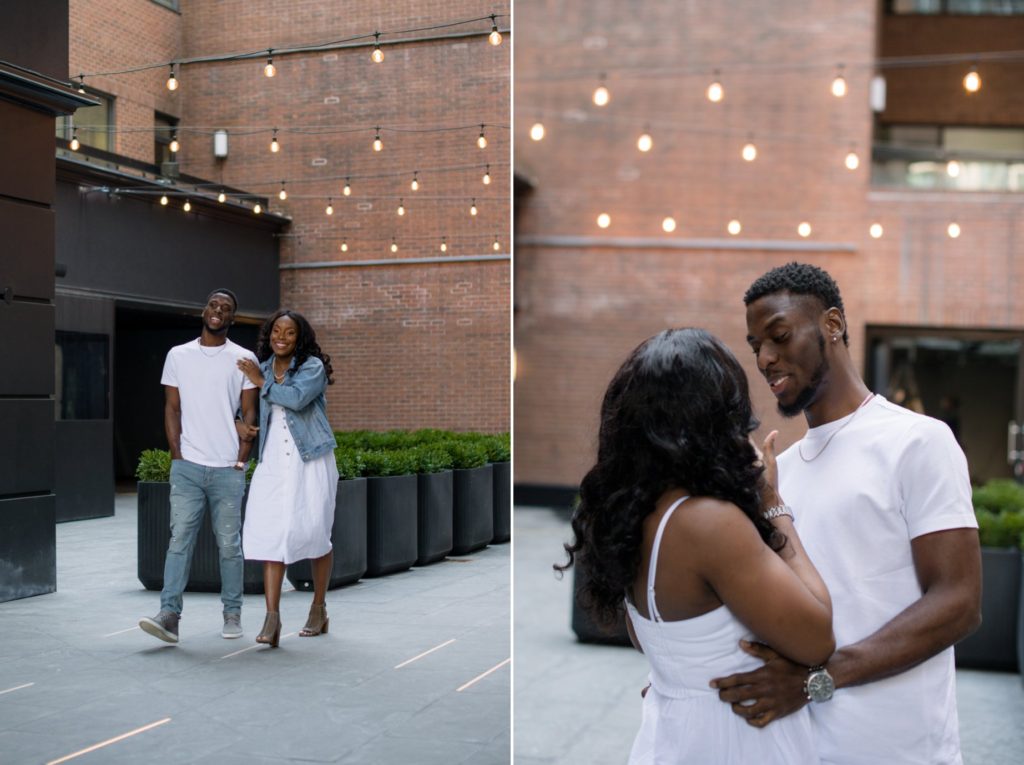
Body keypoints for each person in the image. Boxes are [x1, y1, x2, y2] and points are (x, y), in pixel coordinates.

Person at [711, 262, 981, 764]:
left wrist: (819, 679)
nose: (765, 358)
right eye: (755, 347)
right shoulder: (780, 474)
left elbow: (959, 602)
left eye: (779, 335)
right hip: (797, 745)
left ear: (832, 325)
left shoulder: (917, 441)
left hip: (898, 748)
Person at [557, 328, 835, 764]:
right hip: (735, 742)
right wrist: (773, 505)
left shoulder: (632, 514)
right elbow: (817, 637)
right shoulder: (709, 523)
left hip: (671, 736)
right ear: (717, 418)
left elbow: (653, 640)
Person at [139, 288, 259, 644]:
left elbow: (250, 411)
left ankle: (232, 613)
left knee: (229, 545)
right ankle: (169, 616)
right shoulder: (179, 355)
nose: (218, 311)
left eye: (226, 308)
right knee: (179, 542)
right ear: (203, 311)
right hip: (188, 467)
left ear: (232, 318)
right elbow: (172, 408)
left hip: (227, 469)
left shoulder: (243, 358)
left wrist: (242, 456)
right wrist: (177, 454)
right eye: (213, 305)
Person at [236, 309, 338, 648]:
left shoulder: (312, 367)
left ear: (300, 338)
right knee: (269, 534)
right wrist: (241, 423)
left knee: (315, 531)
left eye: (289, 332)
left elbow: (294, 399)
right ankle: (272, 617)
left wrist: (262, 382)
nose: (282, 336)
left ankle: (319, 608)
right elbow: (246, 408)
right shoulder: (261, 369)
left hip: (310, 458)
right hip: (273, 462)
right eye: (276, 330)